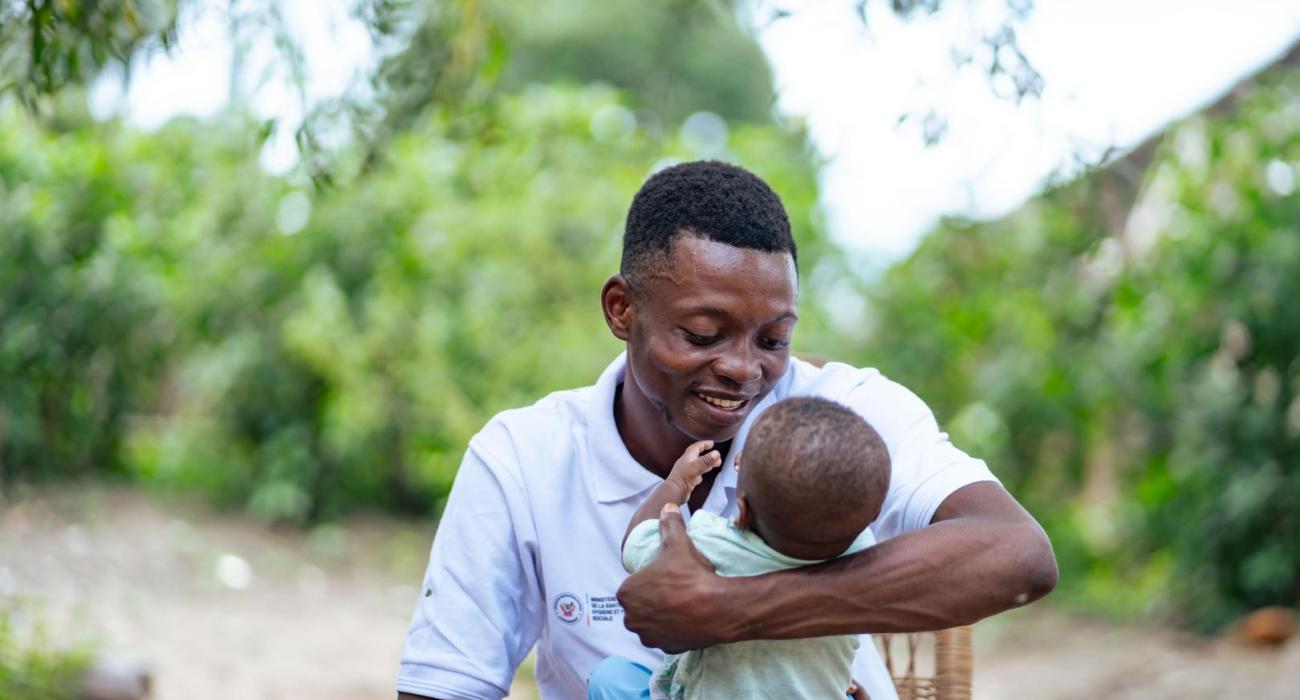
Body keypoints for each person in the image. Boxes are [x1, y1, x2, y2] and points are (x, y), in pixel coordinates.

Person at [396, 160, 1058, 700]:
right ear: (622, 309)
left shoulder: (841, 416)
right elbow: (443, 685)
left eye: (773, 340)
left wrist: (731, 608)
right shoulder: (523, 459)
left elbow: (1017, 555)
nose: (743, 369)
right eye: (702, 334)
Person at [589, 396, 892, 700]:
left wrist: (675, 486)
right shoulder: (862, 555)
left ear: (743, 510)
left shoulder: (713, 545)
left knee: (611, 677)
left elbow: (635, 540)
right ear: (874, 514)